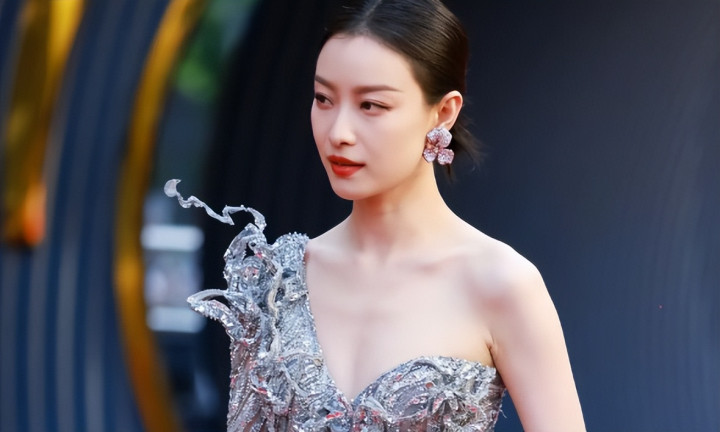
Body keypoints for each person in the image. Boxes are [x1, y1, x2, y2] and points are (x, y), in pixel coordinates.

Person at [171, 0, 586, 430]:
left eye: (371, 105)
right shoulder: (278, 281)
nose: (338, 133)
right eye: (323, 99)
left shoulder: (501, 283)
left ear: (443, 112)